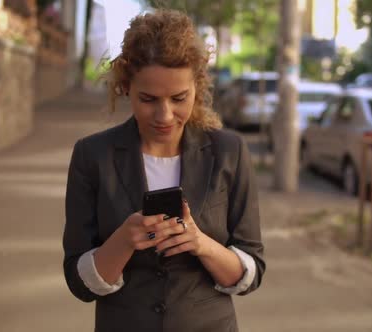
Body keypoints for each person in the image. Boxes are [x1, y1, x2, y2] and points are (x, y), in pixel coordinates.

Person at [63, 9, 265, 332]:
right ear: (126, 86)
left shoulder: (230, 152)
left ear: (197, 87)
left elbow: (251, 273)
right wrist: (124, 240)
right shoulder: (92, 156)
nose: (165, 115)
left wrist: (200, 243)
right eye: (148, 99)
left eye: (179, 98)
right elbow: (78, 282)